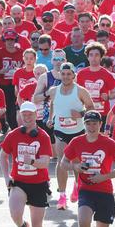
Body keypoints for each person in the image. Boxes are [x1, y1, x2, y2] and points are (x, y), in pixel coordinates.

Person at [61, 111, 115, 227]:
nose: (91, 127)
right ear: (84, 125)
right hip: (85, 190)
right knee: (83, 222)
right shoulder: (77, 141)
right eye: (88, 124)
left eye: (94, 124)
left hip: (104, 192)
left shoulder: (108, 143)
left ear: (100, 124)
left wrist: (104, 177)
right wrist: (75, 167)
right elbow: (63, 163)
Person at [46, 61, 95, 210]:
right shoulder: (54, 90)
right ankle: (62, 196)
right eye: (63, 74)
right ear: (60, 74)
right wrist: (50, 118)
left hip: (78, 132)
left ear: (74, 75)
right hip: (60, 131)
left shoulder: (80, 91)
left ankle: (77, 186)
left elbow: (92, 108)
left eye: (69, 74)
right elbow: (52, 104)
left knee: (76, 162)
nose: (66, 77)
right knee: (62, 161)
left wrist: (80, 114)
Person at [0, 102, 53, 227]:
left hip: (39, 183)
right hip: (19, 182)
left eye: (30, 114)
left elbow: (45, 162)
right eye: (24, 114)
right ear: (20, 116)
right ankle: (23, 226)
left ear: (36, 115)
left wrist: (32, 161)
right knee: (15, 214)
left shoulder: (43, 136)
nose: (27, 117)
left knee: (37, 225)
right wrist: (6, 177)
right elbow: (3, 156)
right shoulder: (13, 135)